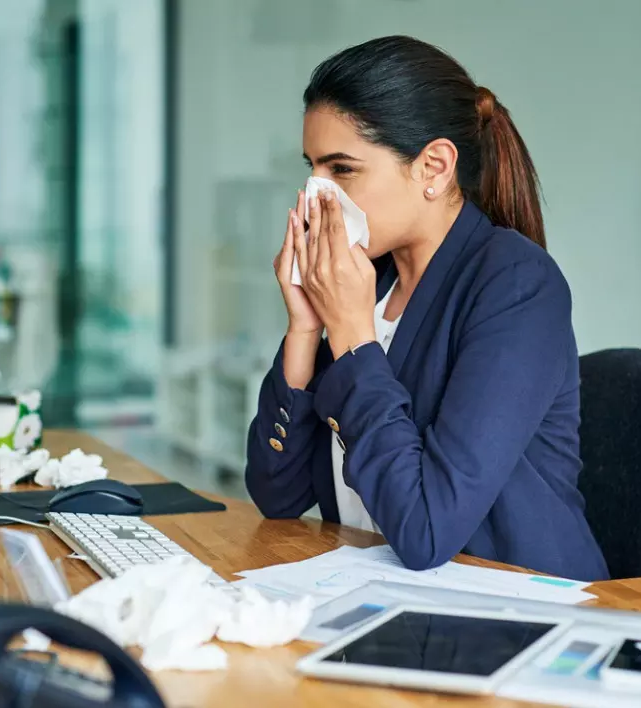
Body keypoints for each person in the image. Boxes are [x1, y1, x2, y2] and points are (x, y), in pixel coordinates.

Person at [244, 36, 608, 581]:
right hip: (390, 601)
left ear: (434, 168)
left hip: (516, 617)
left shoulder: (516, 286)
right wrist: (304, 329)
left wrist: (351, 333)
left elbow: (424, 532)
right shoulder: (375, 280)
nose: (315, 193)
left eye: (341, 170)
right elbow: (277, 495)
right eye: (312, 168)